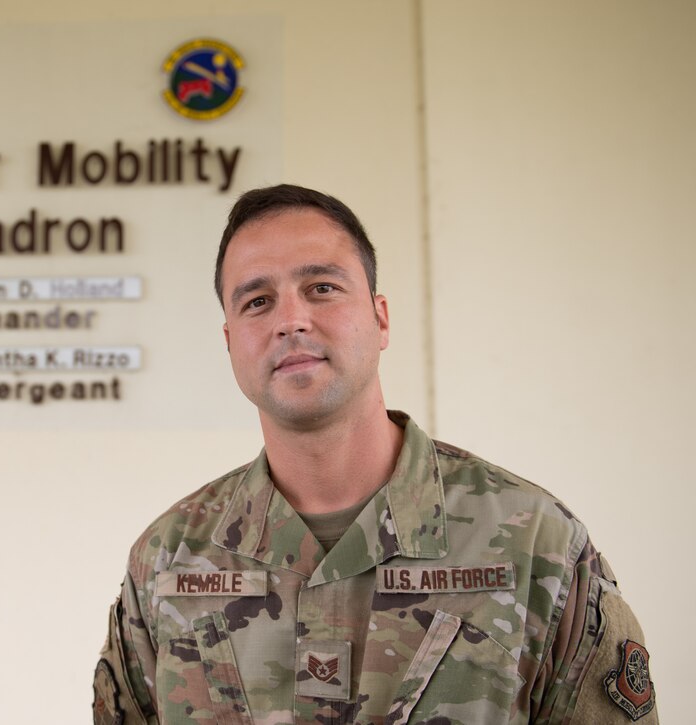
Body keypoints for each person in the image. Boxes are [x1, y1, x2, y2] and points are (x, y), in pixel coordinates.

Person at [93, 184, 656, 724]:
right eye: (257, 301)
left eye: (322, 288)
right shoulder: (166, 562)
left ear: (380, 318)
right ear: (230, 343)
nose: (290, 320)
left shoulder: (537, 546)